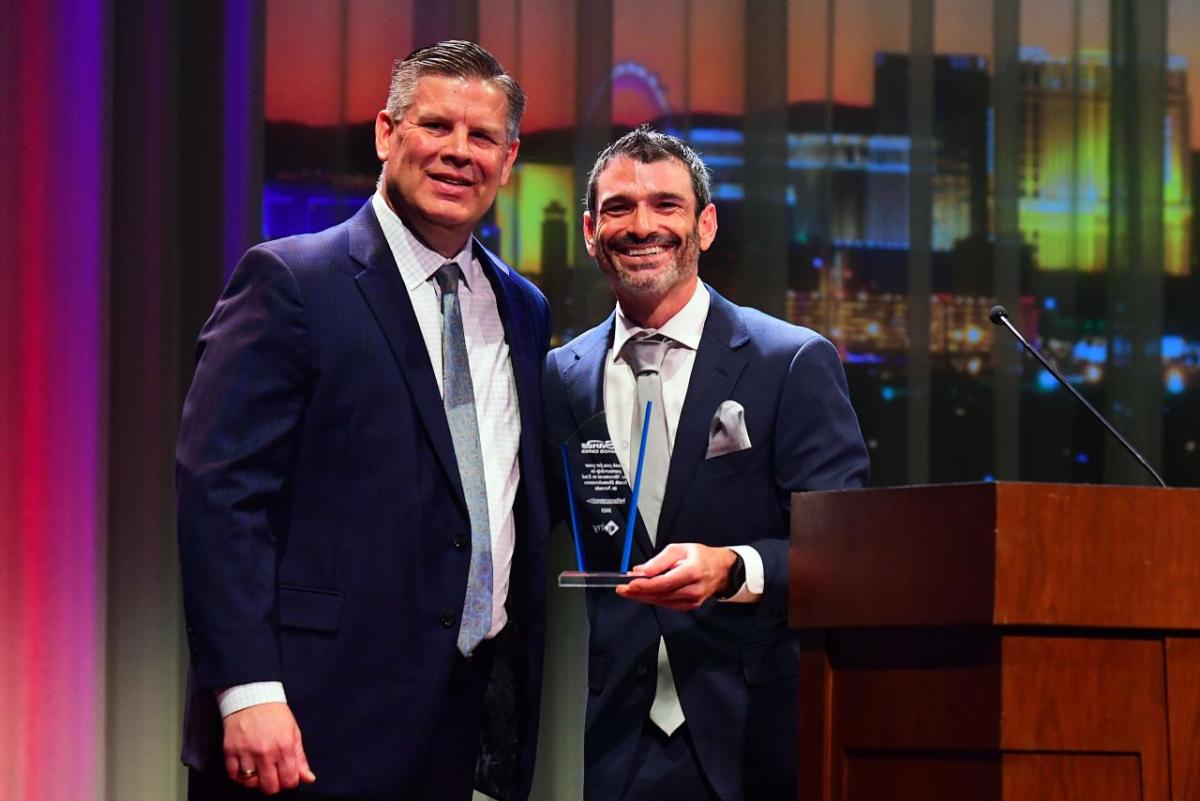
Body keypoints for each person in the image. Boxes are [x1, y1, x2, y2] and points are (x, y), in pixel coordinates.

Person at [177, 40, 550, 801]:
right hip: (303, 726)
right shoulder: (290, 281)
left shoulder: (522, 308)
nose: (458, 152)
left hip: (458, 724)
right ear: (386, 133)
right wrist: (247, 688)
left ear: (508, 161)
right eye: (436, 126)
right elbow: (221, 497)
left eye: (482, 138)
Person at [543, 126, 870, 801]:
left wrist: (734, 568)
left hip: (757, 739)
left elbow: (847, 552)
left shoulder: (791, 362)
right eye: (618, 208)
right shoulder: (564, 376)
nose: (642, 226)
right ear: (588, 230)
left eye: (666, 205)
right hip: (616, 747)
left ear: (706, 225)